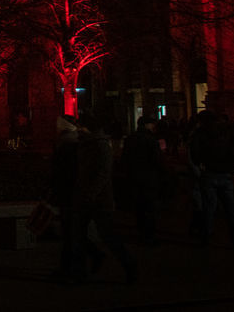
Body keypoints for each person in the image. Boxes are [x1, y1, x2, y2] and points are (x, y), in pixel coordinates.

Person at [74, 112, 138, 284]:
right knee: (77, 234)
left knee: (109, 236)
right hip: (86, 197)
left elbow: (103, 174)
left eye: (81, 126)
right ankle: (87, 263)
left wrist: (91, 193)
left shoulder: (100, 146)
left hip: (99, 200)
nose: (78, 129)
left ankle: (129, 265)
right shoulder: (85, 144)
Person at [48, 114, 101, 284]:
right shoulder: (72, 142)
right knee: (72, 233)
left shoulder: (69, 144)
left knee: (72, 233)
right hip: (71, 194)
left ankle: (76, 268)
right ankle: (72, 267)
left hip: (71, 194)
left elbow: (65, 173)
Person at [188, 111, 234, 247]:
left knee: (208, 207)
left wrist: (201, 163)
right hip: (225, 173)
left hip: (209, 172)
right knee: (230, 208)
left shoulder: (200, 133)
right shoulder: (226, 131)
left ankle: (206, 237)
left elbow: (194, 152)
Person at [123, 115, 165, 244]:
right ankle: (150, 235)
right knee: (150, 207)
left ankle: (141, 231)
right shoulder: (151, 140)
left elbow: (125, 158)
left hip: (135, 176)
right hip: (149, 177)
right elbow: (157, 160)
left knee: (139, 206)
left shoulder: (131, 139)